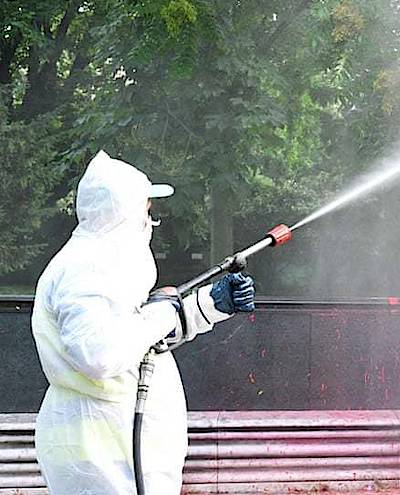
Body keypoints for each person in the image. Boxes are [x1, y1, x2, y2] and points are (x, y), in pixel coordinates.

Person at [31, 150, 256, 493]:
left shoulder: (106, 263)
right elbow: (99, 354)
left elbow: (137, 339)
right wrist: (165, 311)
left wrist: (209, 305)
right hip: (102, 457)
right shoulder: (84, 269)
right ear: (123, 213)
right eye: (146, 211)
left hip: (117, 448)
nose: (150, 220)